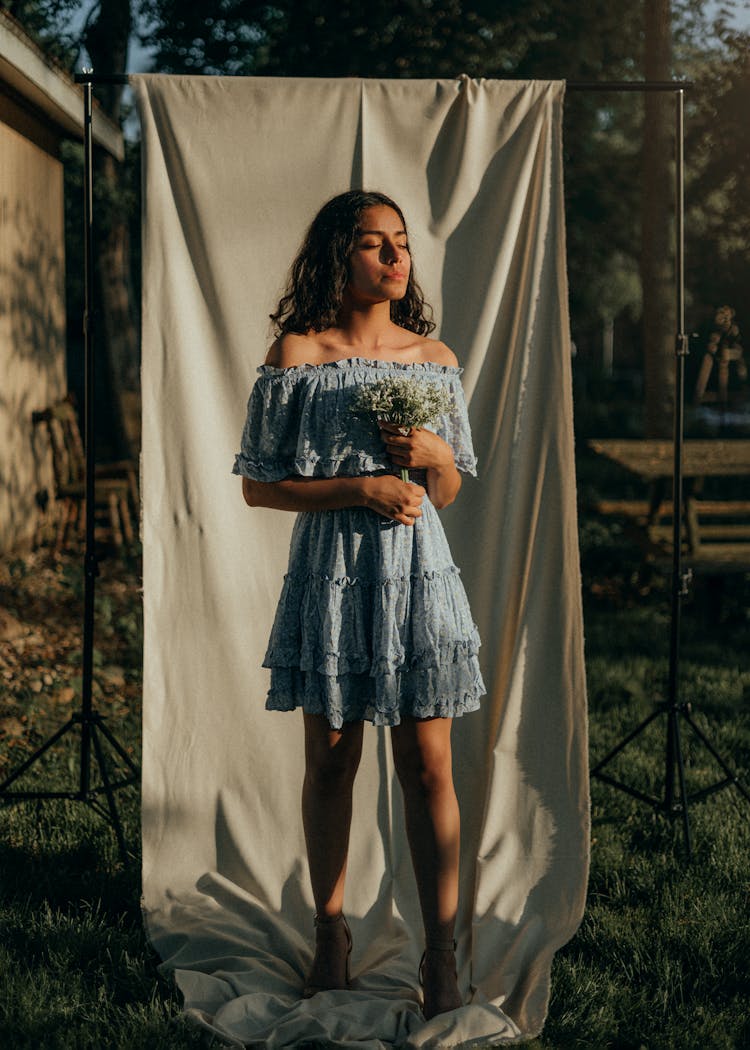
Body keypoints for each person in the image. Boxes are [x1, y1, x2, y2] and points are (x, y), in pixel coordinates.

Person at [233, 190, 486, 1021]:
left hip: (417, 576)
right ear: (337, 257)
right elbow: (260, 488)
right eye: (373, 243)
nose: (393, 256)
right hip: (333, 574)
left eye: (401, 243)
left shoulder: (434, 357)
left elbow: (443, 492)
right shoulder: (300, 353)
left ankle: (443, 955)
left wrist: (436, 455)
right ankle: (330, 933)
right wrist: (358, 486)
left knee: (427, 765)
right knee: (333, 758)